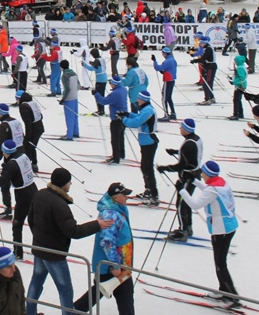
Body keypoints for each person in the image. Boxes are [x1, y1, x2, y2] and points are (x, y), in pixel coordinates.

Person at [25, 168, 111, 315]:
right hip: (54, 255)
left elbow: (31, 219)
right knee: (65, 289)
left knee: (36, 283)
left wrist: (39, 239)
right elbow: (74, 232)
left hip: (39, 250)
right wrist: (97, 225)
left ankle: (29, 312)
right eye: (69, 181)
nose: (71, 183)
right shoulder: (59, 204)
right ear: (63, 183)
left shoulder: (39, 194)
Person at [179, 161, 240, 308]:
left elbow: (195, 204)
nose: (201, 174)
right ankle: (223, 290)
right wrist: (194, 181)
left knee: (220, 264)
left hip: (222, 229)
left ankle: (233, 297)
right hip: (228, 226)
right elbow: (208, 190)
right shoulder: (220, 183)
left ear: (207, 174)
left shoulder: (213, 189)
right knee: (220, 261)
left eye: (202, 173)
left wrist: (182, 190)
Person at [73, 183, 134, 315]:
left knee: (99, 292)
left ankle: (73, 311)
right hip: (113, 268)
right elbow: (108, 242)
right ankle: (73, 311)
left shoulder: (116, 209)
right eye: (125, 195)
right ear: (116, 198)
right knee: (124, 296)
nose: (127, 198)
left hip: (117, 265)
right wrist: (115, 265)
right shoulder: (111, 215)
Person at [0, 140, 37, 259]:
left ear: (6, 152)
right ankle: (40, 247)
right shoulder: (23, 155)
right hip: (33, 190)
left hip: (23, 195)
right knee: (34, 222)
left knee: (17, 224)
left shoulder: (11, 165)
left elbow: (3, 182)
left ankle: (18, 253)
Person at [157, 119, 203, 241]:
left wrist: (165, 168)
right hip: (195, 174)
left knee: (181, 203)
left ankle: (183, 231)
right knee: (187, 202)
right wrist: (175, 152)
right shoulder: (196, 138)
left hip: (188, 177)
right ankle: (188, 227)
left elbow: (181, 165)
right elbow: (190, 154)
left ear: (186, 129)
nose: (180, 129)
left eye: (181, 127)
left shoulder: (188, 144)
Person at [120, 91, 159, 206]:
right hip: (145, 141)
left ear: (144, 99)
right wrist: (128, 114)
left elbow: (137, 122)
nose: (137, 100)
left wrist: (123, 120)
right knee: (144, 167)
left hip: (149, 142)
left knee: (147, 168)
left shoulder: (147, 110)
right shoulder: (146, 108)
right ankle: (148, 190)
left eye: (139, 99)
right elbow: (137, 117)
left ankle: (153, 194)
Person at [94, 76, 129, 164]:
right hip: (124, 116)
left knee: (115, 138)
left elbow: (104, 101)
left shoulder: (115, 93)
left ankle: (116, 157)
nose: (110, 84)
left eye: (111, 83)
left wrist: (96, 94)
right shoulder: (124, 89)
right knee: (121, 137)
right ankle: (121, 153)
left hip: (116, 118)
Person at [16, 90, 44, 172]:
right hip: (40, 127)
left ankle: (27, 166)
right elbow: (40, 116)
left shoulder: (24, 107)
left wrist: (27, 137)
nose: (16, 101)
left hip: (34, 129)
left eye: (17, 99)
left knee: (27, 147)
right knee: (32, 147)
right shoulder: (32, 102)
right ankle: (34, 164)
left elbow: (28, 124)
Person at [152, 46, 177, 121]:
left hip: (168, 80)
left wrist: (154, 61)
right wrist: (165, 72)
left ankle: (166, 115)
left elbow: (158, 68)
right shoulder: (172, 60)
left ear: (165, 53)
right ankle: (173, 113)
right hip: (172, 79)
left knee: (164, 98)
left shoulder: (167, 61)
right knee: (169, 97)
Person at [191, 36, 217, 105]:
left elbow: (204, 58)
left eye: (201, 43)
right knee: (208, 82)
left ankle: (208, 98)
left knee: (207, 83)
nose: (200, 44)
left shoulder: (208, 49)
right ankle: (211, 97)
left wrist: (195, 60)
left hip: (210, 67)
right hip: (207, 66)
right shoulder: (207, 48)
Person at [58, 60, 79, 140]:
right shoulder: (74, 73)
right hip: (75, 97)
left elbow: (67, 88)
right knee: (75, 116)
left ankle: (69, 135)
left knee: (69, 117)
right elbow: (78, 85)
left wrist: (63, 99)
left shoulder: (65, 76)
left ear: (62, 67)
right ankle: (75, 132)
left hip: (69, 98)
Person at [229, 55, 248, 121]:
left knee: (236, 100)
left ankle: (236, 114)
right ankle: (240, 113)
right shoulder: (242, 66)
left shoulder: (240, 67)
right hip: (241, 85)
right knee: (238, 99)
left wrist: (234, 82)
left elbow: (241, 78)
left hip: (240, 86)